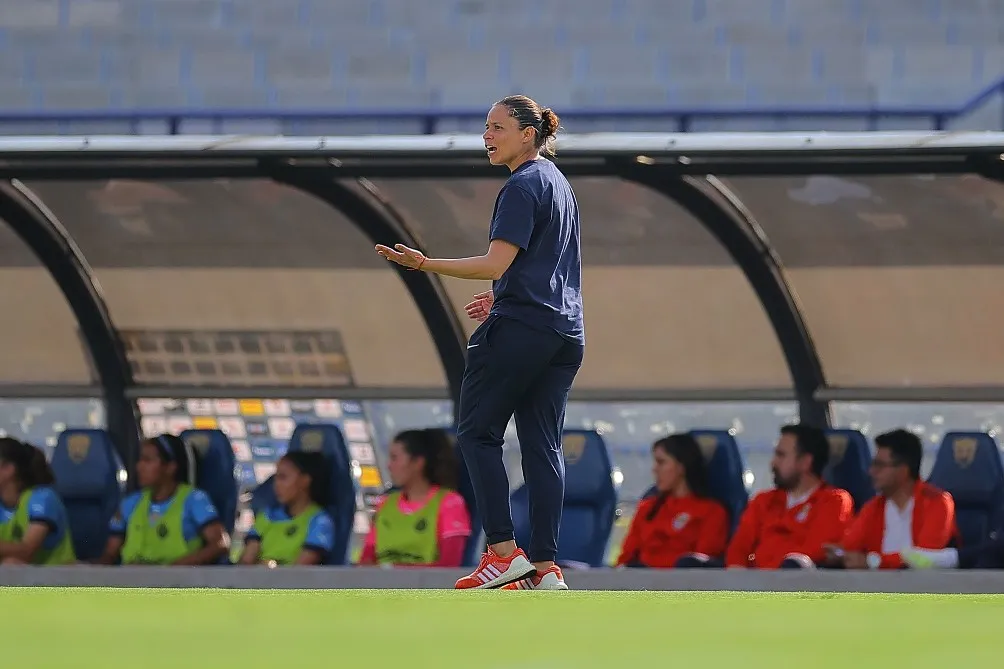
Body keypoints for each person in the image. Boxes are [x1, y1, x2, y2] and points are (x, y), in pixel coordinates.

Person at [375, 95, 584, 591]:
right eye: (486, 127)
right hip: (564, 333)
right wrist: (501, 293)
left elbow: (494, 262)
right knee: (543, 446)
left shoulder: (521, 184)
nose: (487, 136)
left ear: (528, 134)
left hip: (520, 331)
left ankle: (503, 554)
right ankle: (546, 567)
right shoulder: (558, 183)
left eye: (497, 127)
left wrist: (424, 264)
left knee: (476, 433)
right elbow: (545, 265)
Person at [712, 424, 853, 569]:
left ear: (805, 462)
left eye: (781, 455)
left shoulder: (834, 501)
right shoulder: (763, 501)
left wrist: (771, 573)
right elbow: (738, 548)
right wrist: (737, 572)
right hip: (753, 581)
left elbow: (816, 551)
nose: (773, 463)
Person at [97, 434, 229, 566]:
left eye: (147, 460)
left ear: (170, 467)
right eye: (140, 460)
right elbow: (110, 553)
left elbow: (220, 544)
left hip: (179, 577)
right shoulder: (130, 503)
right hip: (132, 576)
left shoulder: (194, 500)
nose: (139, 467)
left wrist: (175, 567)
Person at [836, 429, 955, 570]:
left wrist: (874, 561)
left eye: (880, 465)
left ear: (903, 470)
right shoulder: (872, 507)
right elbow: (848, 548)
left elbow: (925, 557)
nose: (872, 471)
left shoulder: (937, 502)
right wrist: (838, 554)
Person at [358, 429, 472, 567]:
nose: (389, 466)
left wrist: (397, 571)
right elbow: (366, 559)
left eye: (394, 458)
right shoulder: (384, 504)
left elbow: (448, 565)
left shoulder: (450, 503)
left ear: (418, 462)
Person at [614, 434, 729, 569]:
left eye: (661, 462)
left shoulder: (712, 512)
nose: (654, 469)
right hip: (642, 580)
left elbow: (702, 565)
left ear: (681, 467)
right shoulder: (647, 508)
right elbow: (625, 559)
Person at [240, 451, 335, 566]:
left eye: (283, 477)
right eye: (276, 478)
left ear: (305, 480)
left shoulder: (319, 521)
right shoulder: (267, 516)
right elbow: (246, 561)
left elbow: (300, 569)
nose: (276, 484)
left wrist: (270, 568)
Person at [0, 438, 76, 565]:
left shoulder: (43, 498)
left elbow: (27, 551)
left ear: (8, 469)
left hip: (58, 575)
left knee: (11, 563)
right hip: (17, 576)